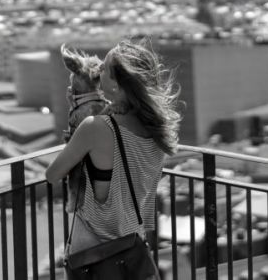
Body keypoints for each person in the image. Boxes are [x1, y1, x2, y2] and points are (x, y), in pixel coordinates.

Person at [45, 37, 181, 257]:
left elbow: (52, 174)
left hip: (94, 250)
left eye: (104, 71)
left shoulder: (95, 127)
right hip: (133, 246)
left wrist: (76, 118)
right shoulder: (158, 130)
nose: (99, 73)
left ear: (117, 84)